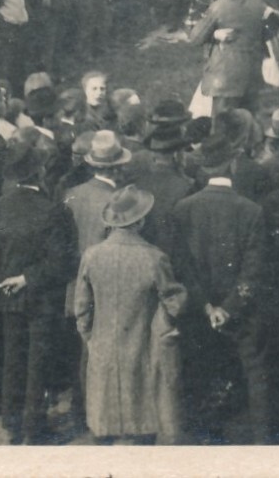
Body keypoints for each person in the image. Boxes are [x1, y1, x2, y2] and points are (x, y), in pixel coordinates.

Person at [169, 129, 270, 443]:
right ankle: (261, 443)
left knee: (198, 374)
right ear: (232, 163)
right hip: (241, 312)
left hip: (197, 311)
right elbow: (253, 271)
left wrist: (206, 306)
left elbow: (181, 266)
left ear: (203, 166)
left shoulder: (183, 208)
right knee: (253, 374)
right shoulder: (251, 210)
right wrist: (228, 308)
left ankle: (200, 441)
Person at [75, 186, 189, 445]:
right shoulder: (154, 257)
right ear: (141, 222)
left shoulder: (92, 255)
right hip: (143, 344)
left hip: (102, 343)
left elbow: (81, 306)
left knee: (103, 417)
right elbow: (175, 303)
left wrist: (89, 336)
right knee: (142, 416)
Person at [0, 140, 78, 445]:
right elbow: (62, 262)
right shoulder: (54, 211)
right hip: (42, 297)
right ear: (40, 172)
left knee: (13, 358)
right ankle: (34, 429)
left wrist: (9, 277)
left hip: (7, 295)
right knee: (38, 362)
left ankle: (12, 423)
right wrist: (27, 277)